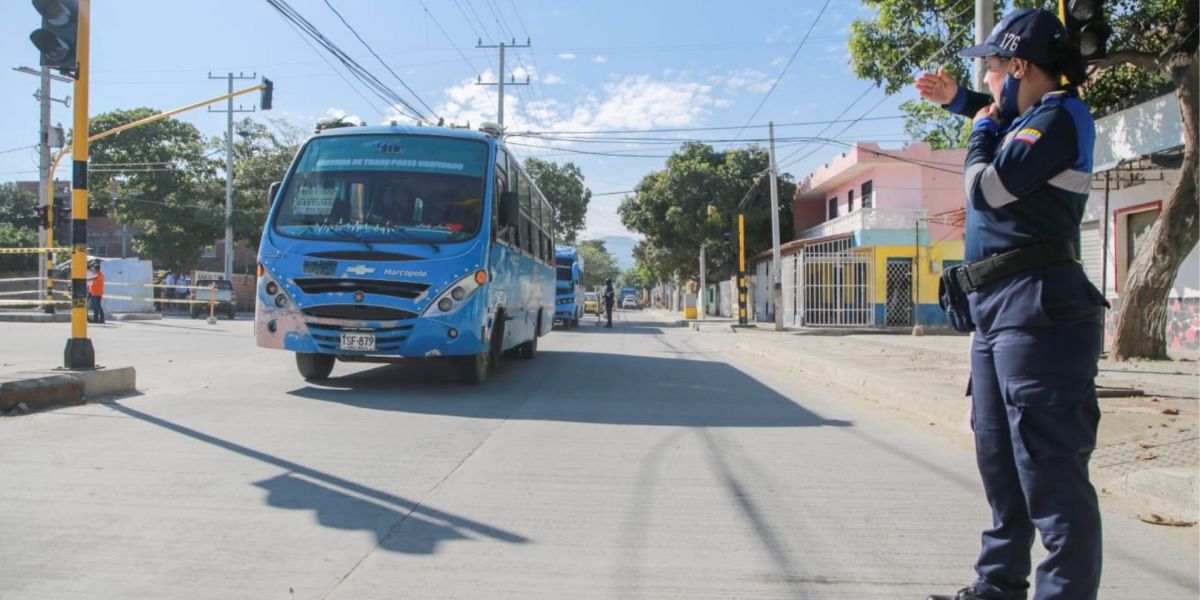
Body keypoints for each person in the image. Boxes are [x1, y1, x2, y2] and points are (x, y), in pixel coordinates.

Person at [917, 9, 1106, 600]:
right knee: (1000, 459)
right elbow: (997, 111)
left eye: (996, 66)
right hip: (996, 310)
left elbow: (988, 188)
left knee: (1049, 469)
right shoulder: (1028, 115)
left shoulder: (1062, 117)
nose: (991, 79)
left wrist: (974, 126)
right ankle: (998, 585)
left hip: (1040, 309)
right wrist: (961, 102)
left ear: (1019, 66)